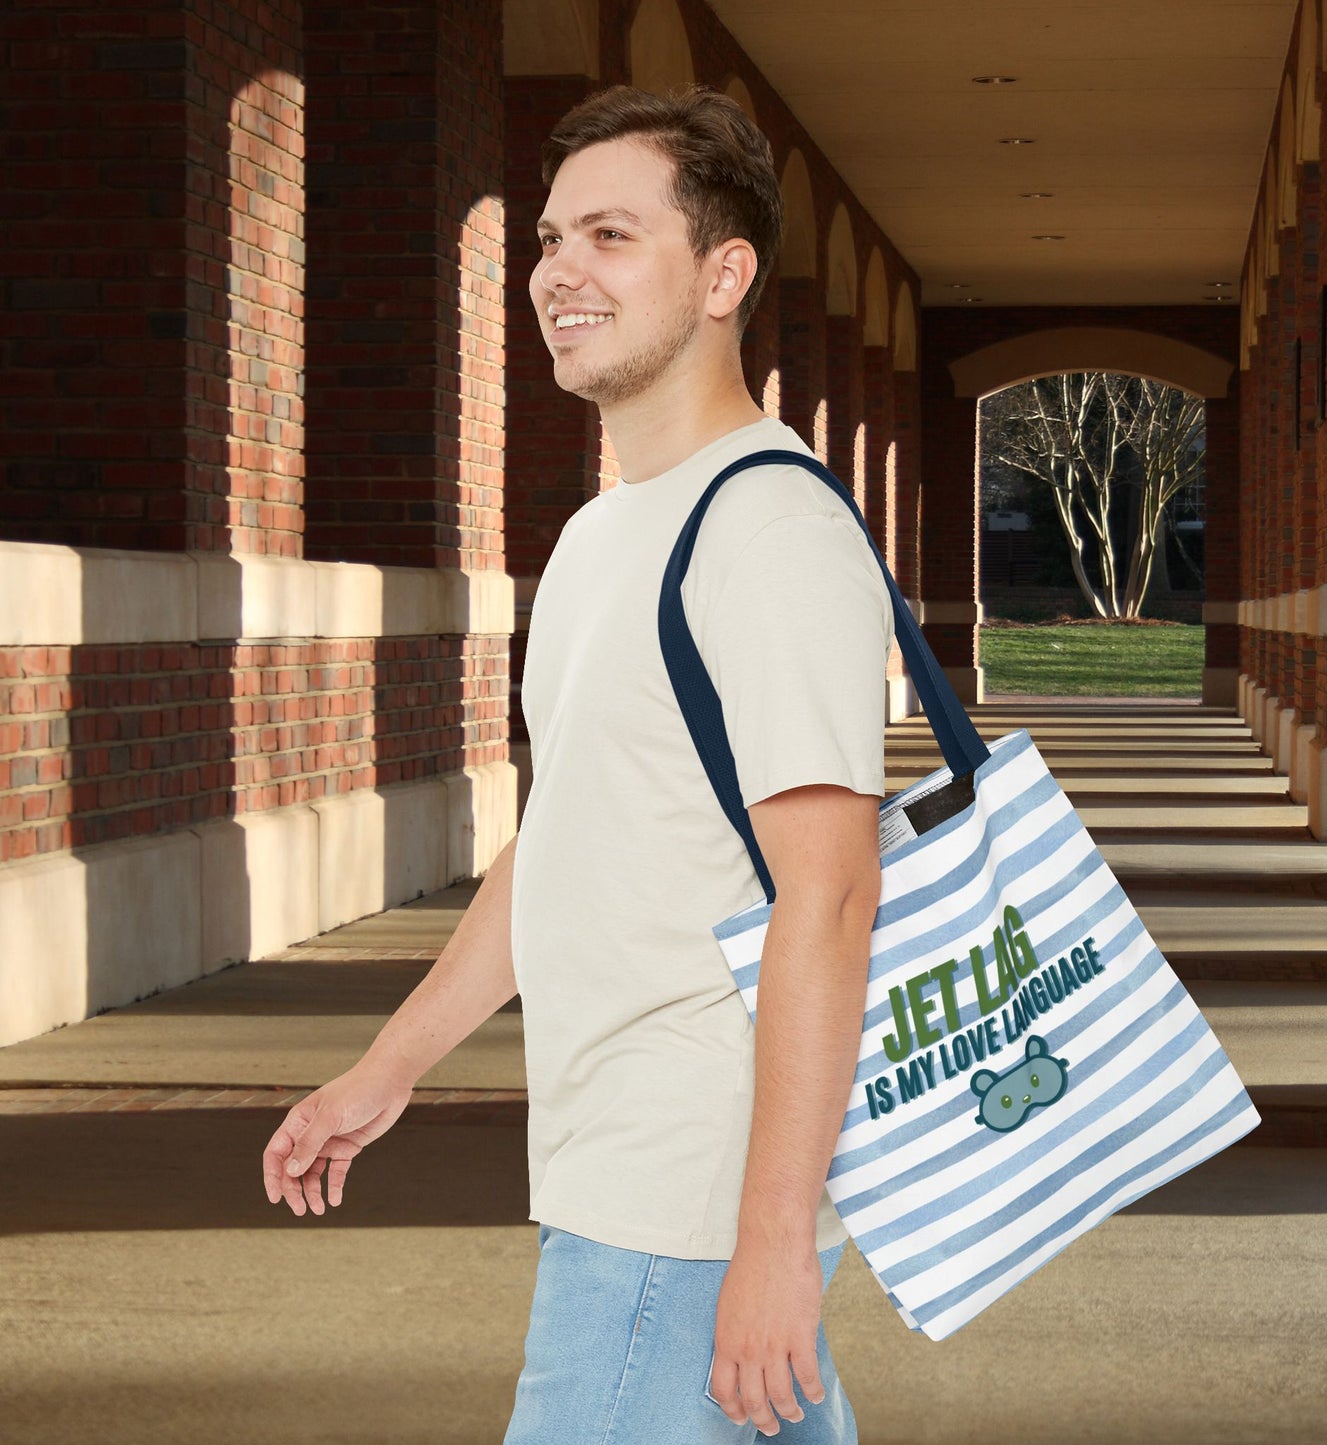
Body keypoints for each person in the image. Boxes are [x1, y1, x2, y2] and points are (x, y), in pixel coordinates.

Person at [262, 84, 894, 1443]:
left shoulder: (769, 531)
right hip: (620, 1178)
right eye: (550, 238)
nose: (558, 271)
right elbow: (564, 849)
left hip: (682, 1208)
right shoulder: (607, 536)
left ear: (722, 273)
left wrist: (770, 1240)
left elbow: (829, 896)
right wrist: (389, 1066)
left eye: (610, 235)